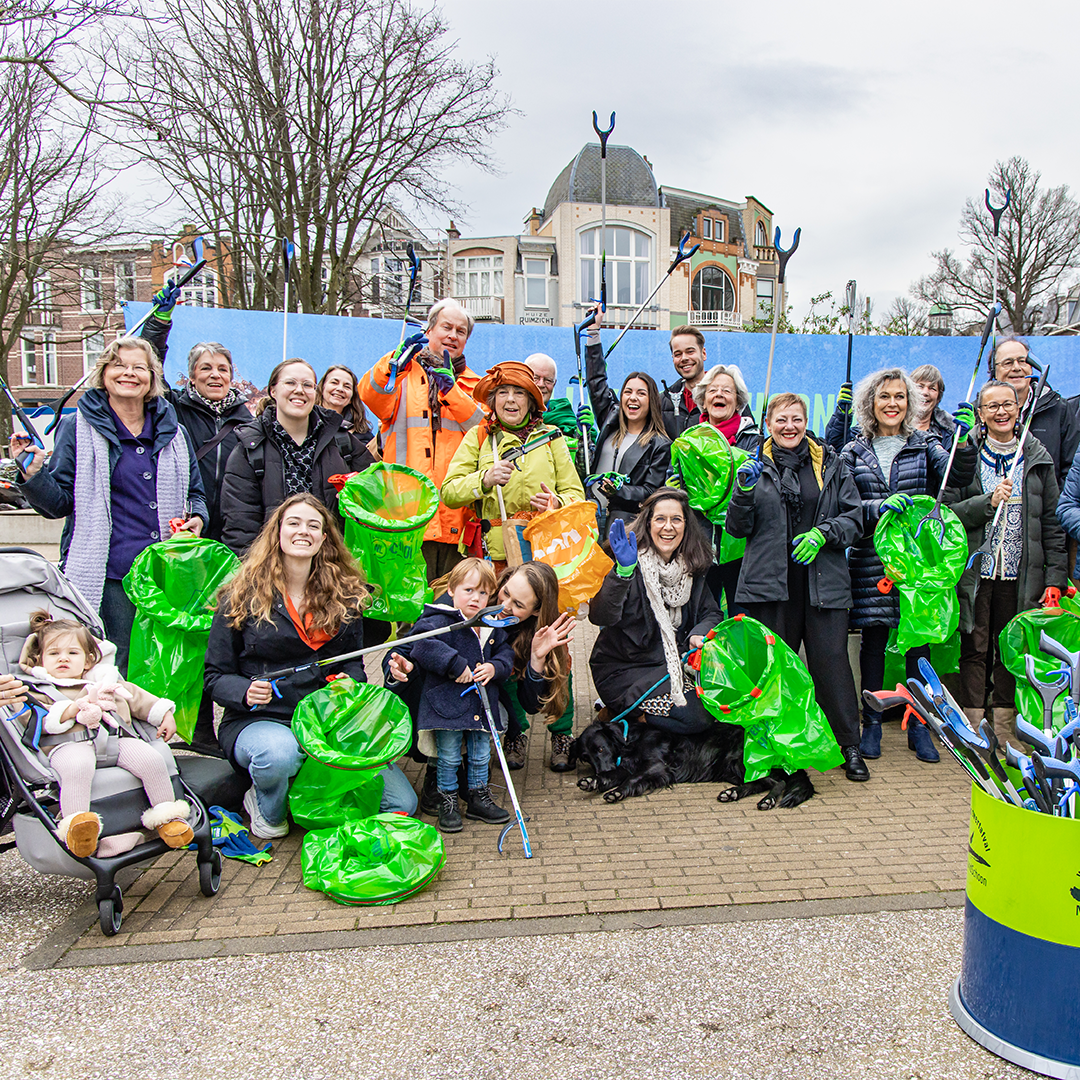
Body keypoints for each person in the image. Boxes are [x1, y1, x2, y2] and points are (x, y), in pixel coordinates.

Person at [205, 494, 417, 838]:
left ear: (323, 538)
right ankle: (265, 803)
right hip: (263, 720)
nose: (303, 531)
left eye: (313, 525)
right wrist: (244, 691)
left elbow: (354, 664)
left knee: (401, 803)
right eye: (294, 523)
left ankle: (309, 788)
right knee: (280, 756)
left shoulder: (345, 596)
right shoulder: (240, 595)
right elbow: (215, 676)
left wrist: (349, 682)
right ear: (277, 532)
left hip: (327, 722)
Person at [10, 337, 207, 674]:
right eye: (119, 365)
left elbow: (196, 494)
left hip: (166, 574)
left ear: (151, 378)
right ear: (103, 374)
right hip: (111, 577)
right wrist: (33, 475)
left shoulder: (174, 431)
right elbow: (57, 504)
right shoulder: (76, 428)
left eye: (139, 367)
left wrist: (198, 518)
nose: (129, 373)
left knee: (165, 668)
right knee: (115, 667)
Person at [724, 394, 868, 781]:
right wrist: (742, 491)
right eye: (781, 419)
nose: (789, 426)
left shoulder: (831, 463)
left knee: (831, 665)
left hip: (823, 584)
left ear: (806, 422)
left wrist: (824, 533)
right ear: (768, 424)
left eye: (796, 419)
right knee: (773, 672)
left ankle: (848, 745)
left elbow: (854, 519)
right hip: (770, 586)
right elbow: (737, 528)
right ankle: (773, 749)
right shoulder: (752, 464)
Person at [842, 367, 977, 764]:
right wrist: (877, 507)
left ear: (910, 402)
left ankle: (921, 726)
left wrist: (963, 442)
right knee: (874, 643)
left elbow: (957, 474)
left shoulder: (926, 444)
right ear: (870, 403)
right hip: (871, 560)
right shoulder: (853, 452)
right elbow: (846, 506)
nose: (892, 403)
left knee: (918, 646)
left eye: (899, 396)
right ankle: (871, 724)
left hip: (917, 562)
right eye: (884, 396)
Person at [385, 561, 576, 793]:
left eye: (518, 605)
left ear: (536, 611)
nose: (504, 605)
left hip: (481, 695)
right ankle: (436, 768)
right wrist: (397, 666)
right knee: (438, 704)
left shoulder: (541, 633)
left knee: (501, 716)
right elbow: (407, 646)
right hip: (439, 693)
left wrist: (536, 659)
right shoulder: (467, 597)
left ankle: (471, 761)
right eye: (505, 592)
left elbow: (531, 705)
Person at [948, 381, 1067, 745]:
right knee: (975, 647)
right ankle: (972, 725)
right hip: (977, 572)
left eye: (1007, 405)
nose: (1001, 412)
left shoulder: (1037, 458)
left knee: (1010, 647)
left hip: (1020, 574)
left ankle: (1004, 728)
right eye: (992, 406)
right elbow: (948, 513)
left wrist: (1055, 578)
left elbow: (1052, 524)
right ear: (980, 414)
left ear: (1019, 409)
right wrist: (987, 502)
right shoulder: (966, 457)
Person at [18, 610, 193, 858]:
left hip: (113, 739)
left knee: (152, 759)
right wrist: (69, 711)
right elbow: (33, 720)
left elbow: (136, 697)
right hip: (67, 745)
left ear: (88, 660)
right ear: (39, 660)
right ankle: (78, 829)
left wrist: (162, 713)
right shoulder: (38, 690)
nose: (63, 658)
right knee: (77, 768)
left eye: (72, 653)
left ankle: (168, 818)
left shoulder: (104, 680)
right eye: (54, 654)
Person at [359, 299, 484, 581]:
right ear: (429, 330)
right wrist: (393, 364)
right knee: (406, 604)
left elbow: (484, 431)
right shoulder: (400, 374)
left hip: (457, 520)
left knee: (452, 604)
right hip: (406, 518)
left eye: (461, 331)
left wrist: (452, 392)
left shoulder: (475, 386)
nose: (453, 335)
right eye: (446, 327)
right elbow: (370, 395)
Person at [590, 488, 721, 734]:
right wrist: (623, 573)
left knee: (721, 707)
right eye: (660, 519)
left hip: (674, 664)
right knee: (696, 719)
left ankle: (635, 718)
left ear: (686, 526)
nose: (668, 527)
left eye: (676, 519)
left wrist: (698, 633)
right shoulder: (629, 560)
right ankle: (623, 716)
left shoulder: (691, 566)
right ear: (648, 523)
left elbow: (711, 613)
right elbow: (601, 616)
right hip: (626, 668)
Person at [218, 358, 375, 556]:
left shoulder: (342, 440)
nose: (299, 390)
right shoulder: (251, 448)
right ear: (273, 391)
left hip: (333, 565)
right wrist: (254, 572)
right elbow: (240, 527)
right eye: (290, 383)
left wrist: (356, 497)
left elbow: (377, 495)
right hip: (272, 566)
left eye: (307, 385)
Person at [441, 361, 585, 572]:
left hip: (544, 553)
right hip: (492, 560)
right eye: (502, 392)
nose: (510, 399)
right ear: (493, 401)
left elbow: (577, 496)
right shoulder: (478, 437)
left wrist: (556, 502)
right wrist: (485, 479)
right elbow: (449, 493)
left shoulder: (552, 437)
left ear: (530, 401)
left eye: (519, 393)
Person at [408, 558, 515, 833]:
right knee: (449, 756)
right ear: (452, 590)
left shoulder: (491, 624)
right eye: (469, 590)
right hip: (447, 706)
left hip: (481, 704)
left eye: (483, 593)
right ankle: (448, 801)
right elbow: (422, 645)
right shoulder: (438, 620)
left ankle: (478, 797)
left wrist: (495, 667)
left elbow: (505, 653)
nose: (476, 598)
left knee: (480, 754)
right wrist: (455, 664)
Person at [580, 315, 671, 539]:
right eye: (628, 392)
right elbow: (596, 382)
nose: (633, 398)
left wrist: (619, 490)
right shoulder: (610, 420)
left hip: (624, 525)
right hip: (587, 518)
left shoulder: (659, 444)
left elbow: (651, 491)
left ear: (651, 401)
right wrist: (593, 333)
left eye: (641, 393)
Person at [688, 363, 759, 617]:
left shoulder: (753, 439)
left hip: (742, 550)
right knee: (703, 619)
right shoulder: (689, 441)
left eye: (727, 391)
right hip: (700, 546)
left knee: (741, 621)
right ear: (703, 400)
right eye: (713, 390)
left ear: (737, 401)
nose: (719, 394)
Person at [990, 336, 1079, 484]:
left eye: (1023, 361)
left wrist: (1056, 499)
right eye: (1008, 363)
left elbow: (1073, 469)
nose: (1016, 367)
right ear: (994, 371)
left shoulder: (1059, 409)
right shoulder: (980, 412)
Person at [525, 352, 594, 468]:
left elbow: (582, 468)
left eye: (548, 380)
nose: (541, 384)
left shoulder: (564, 419)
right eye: (535, 378)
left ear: (554, 383)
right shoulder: (510, 418)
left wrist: (583, 435)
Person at [660, 326, 707, 438]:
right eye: (678, 354)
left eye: (690, 352)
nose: (684, 358)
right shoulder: (663, 401)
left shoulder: (726, 396)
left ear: (703, 354)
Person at [316, 364, 375, 442]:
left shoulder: (361, 435)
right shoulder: (305, 422)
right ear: (322, 388)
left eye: (347, 387)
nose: (340, 389)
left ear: (352, 398)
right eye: (334, 382)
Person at [910, 364, 954, 444]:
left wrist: (962, 440)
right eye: (920, 386)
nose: (925, 392)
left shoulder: (948, 433)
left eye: (932, 388)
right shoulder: (892, 425)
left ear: (938, 398)